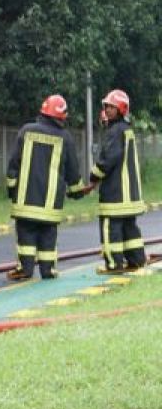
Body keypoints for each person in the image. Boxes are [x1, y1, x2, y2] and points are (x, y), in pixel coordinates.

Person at [4, 94, 84, 281]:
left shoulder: (26, 131)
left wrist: (12, 189)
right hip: (50, 207)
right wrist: (77, 192)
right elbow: (73, 171)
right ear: (62, 116)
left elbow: (13, 165)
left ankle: (25, 269)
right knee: (48, 237)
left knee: (26, 237)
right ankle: (48, 271)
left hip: (25, 202)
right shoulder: (65, 138)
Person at [88, 89, 147, 274]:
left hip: (115, 193)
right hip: (130, 193)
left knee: (110, 228)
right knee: (130, 229)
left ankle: (114, 264)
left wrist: (94, 176)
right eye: (106, 106)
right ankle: (136, 260)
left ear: (121, 108)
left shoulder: (115, 131)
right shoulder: (126, 130)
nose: (107, 110)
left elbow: (108, 159)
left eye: (111, 107)